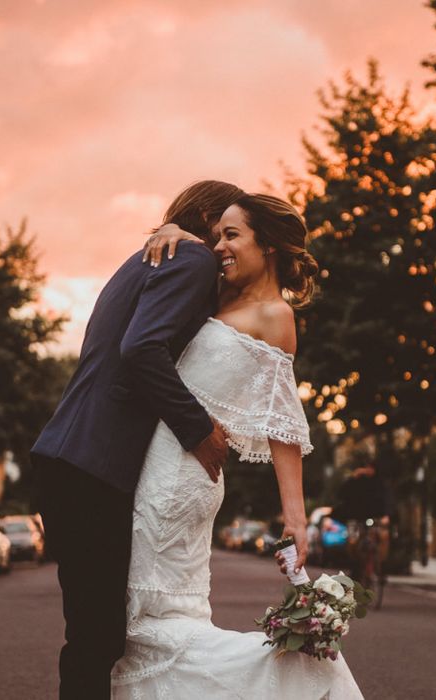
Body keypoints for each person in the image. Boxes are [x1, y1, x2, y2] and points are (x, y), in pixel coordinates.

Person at [111, 194, 363, 698]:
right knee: (153, 626)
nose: (218, 246)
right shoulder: (214, 293)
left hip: (178, 480)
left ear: (266, 244)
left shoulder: (275, 316)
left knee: (149, 629)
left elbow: (282, 423)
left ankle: (307, 677)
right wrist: (175, 234)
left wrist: (295, 516)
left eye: (231, 235)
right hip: (168, 466)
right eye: (215, 235)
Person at [31, 180, 245, 699]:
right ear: (207, 217)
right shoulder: (190, 261)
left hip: (72, 459)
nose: (226, 247)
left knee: (93, 634)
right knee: (95, 639)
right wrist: (199, 432)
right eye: (228, 229)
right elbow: (142, 348)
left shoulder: (152, 257)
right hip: (90, 466)